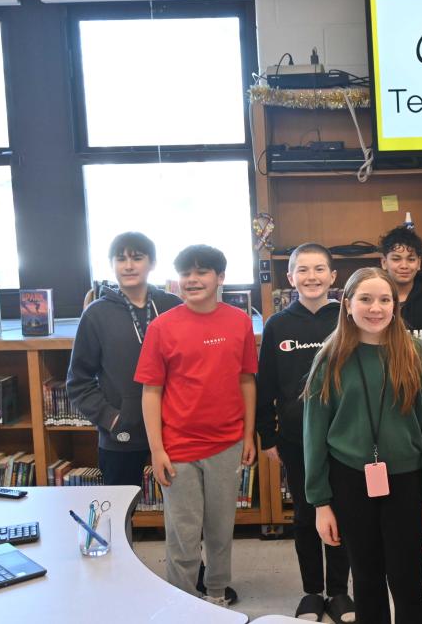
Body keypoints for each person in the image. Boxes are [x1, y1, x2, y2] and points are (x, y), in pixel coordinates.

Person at [303, 268, 422, 624]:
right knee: (366, 580)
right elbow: (314, 434)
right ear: (348, 304)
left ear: (395, 306)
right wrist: (321, 503)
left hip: (408, 482)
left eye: (385, 299)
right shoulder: (330, 357)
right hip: (351, 480)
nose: (376, 308)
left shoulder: (414, 353)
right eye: (365, 299)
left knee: (408, 581)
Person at [135, 244, 257, 607]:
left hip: (227, 443)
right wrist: (157, 450)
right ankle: (183, 601)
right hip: (179, 448)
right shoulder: (162, 327)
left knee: (221, 527)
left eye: (202, 272)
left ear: (220, 278)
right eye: (186, 273)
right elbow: (151, 391)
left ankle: (217, 592)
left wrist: (248, 434)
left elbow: (247, 380)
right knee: (182, 533)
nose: (192, 279)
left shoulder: (239, 322)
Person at [255, 243, 354, 622]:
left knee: (341, 513)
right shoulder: (278, 325)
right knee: (305, 515)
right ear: (290, 277)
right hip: (296, 440)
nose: (311, 277)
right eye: (303, 270)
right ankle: (312, 592)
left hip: (343, 439)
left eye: (319, 270)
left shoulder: (347, 319)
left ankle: (340, 592)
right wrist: (268, 435)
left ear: (333, 277)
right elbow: (265, 385)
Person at [67, 232, 181, 486]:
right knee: (117, 513)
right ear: (112, 265)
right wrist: (112, 418)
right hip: (121, 435)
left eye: (137, 258)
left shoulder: (173, 306)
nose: (128, 265)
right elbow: (78, 381)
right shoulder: (96, 314)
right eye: (121, 259)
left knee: (181, 513)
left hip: (174, 431)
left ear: (151, 263)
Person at [380, 224, 422, 346]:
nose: (404, 266)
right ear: (384, 262)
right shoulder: (373, 306)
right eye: (396, 259)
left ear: (419, 263)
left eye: (411, 259)